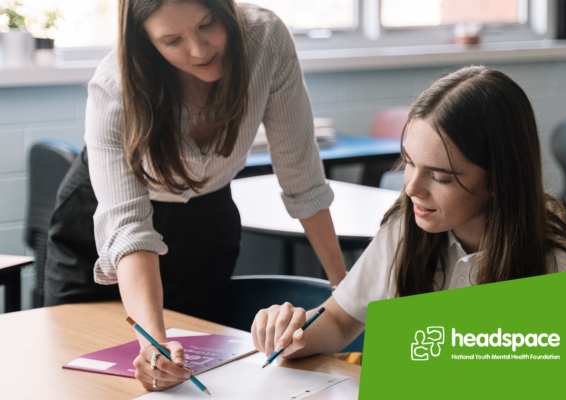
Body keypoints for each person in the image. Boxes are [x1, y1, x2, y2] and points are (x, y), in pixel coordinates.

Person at [43, 0, 347, 392]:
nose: (200, 50)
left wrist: (343, 287)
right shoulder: (115, 86)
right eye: (172, 40)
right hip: (104, 231)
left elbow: (301, 175)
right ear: (145, 42)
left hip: (205, 221)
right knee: (92, 378)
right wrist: (154, 346)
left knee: (198, 375)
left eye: (208, 25)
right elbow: (130, 230)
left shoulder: (264, 39)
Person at [250, 66, 566, 362]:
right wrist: (292, 333)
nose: (412, 188)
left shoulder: (557, 268)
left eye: (441, 176)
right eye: (409, 164)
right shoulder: (405, 227)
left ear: (499, 180)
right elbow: (341, 319)